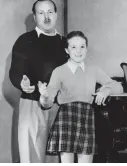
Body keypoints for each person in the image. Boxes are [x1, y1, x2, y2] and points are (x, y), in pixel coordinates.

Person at [38, 31, 123, 163]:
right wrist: (44, 96)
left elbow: (119, 86)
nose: (78, 51)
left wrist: (106, 90)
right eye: (73, 47)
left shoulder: (94, 69)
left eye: (82, 47)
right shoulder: (59, 71)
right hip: (66, 119)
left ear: (86, 48)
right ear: (67, 50)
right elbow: (47, 103)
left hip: (87, 118)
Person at [9, 0, 68, 163]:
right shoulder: (24, 40)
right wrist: (22, 83)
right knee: (32, 156)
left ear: (56, 14)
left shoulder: (66, 43)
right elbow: (15, 72)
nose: (46, 17)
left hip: (59, 107)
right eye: (41, 13)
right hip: (32, 104)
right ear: (34, 17)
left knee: (57, 157)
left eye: (50, 12)